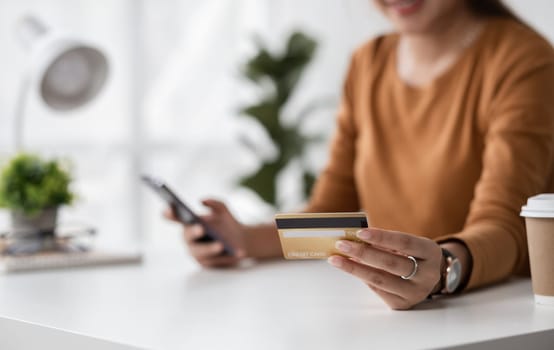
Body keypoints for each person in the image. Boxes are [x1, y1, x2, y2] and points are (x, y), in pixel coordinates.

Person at [165, 0, 554, 310]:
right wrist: (244, 239)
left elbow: (506, 226)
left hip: (497, 313)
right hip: (388, 315)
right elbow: (331, 213)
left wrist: (444, 270)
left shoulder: (524, 60)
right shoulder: (369, 62)